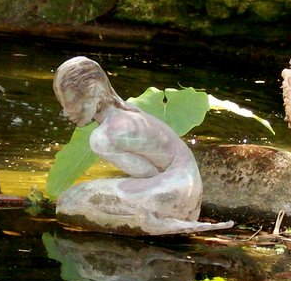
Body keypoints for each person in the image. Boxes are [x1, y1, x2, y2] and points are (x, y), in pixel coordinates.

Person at [52, 56, 233, 236]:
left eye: (70, 103)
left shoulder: (104, 137)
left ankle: (154, 222)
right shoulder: (127, 111)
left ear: (92, 91)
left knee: (71, 201)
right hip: (187, 188)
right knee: (79, 197)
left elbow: (148, 174)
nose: (66, 112)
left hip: (175, 193)